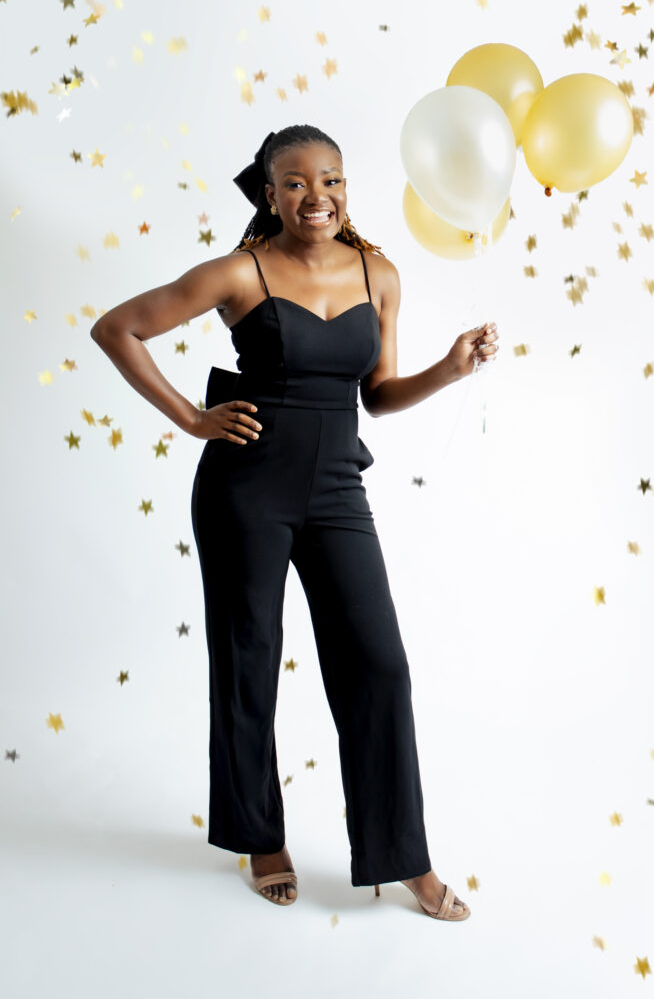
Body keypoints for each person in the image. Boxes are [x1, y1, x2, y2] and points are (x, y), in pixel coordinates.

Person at [91, 123, 500, 922]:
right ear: (270, 193)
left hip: (338, 491)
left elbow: (375, 396)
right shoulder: (239, 271)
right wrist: (190, 416)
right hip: (246, 489)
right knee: (249, 661)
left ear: (348, 186)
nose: (319, 196)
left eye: (333, 179)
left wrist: (449, 371)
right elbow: (119, 328)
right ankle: (260, 837)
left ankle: (402, 856)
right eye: (298, 183)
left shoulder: (379, 273)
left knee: (379, 664)